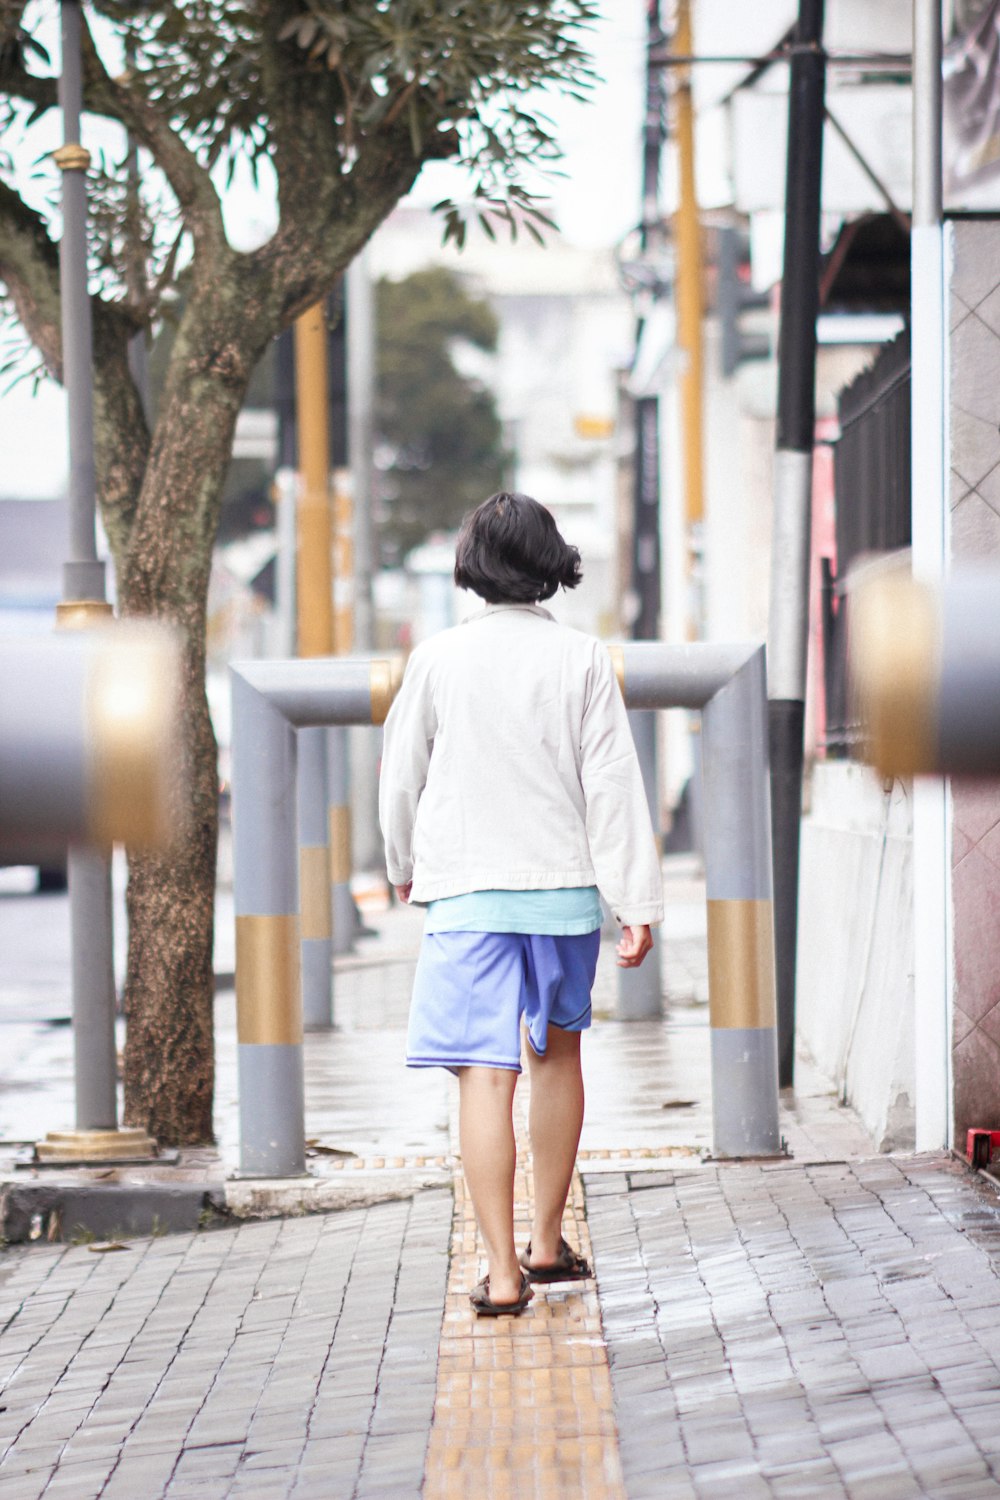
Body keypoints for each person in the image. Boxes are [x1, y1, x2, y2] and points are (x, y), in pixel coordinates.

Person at [379, 492, 663, 1316]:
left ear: (471, 565)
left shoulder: (436, 659)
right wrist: (633, 900)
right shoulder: (581, 659)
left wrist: (405, 864)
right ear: (551, 565)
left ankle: (501, 1276)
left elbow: (402, 777)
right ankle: (547, 1244)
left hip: (466, 890)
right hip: (563, 892)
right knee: (556, 1058)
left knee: (482, 1076)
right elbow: (612, 787)